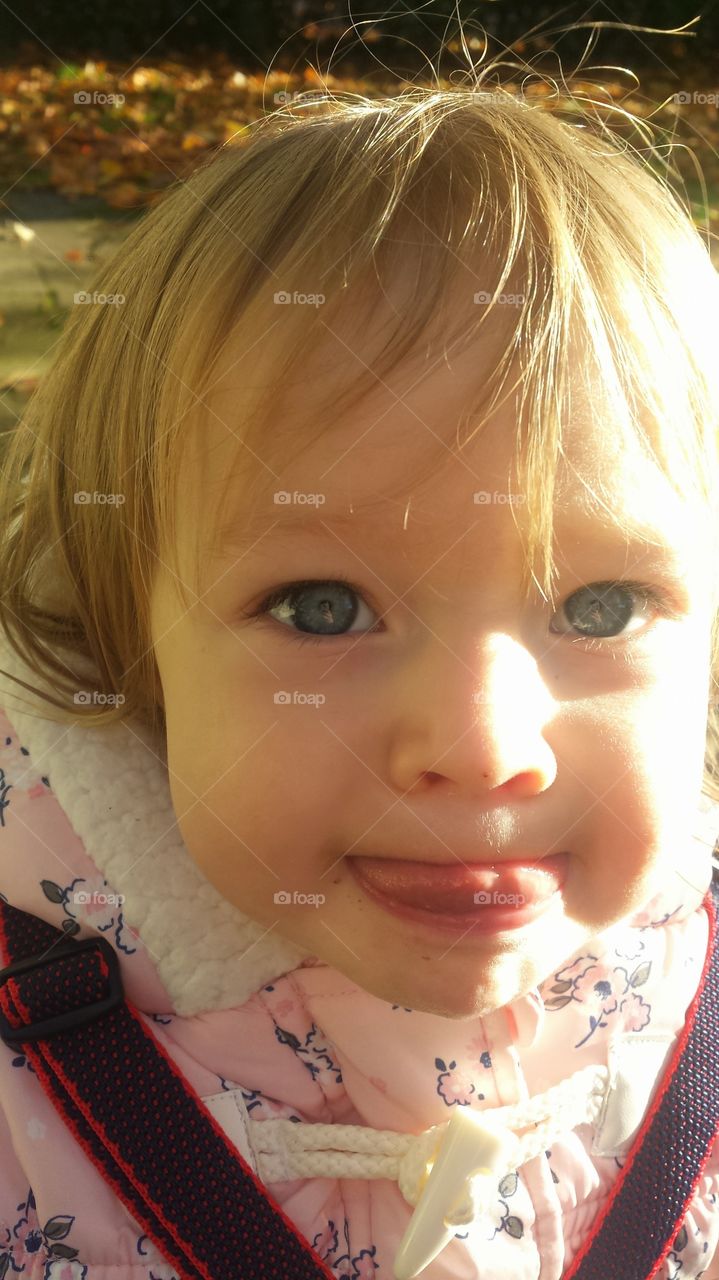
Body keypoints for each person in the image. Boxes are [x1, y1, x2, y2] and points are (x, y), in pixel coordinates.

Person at [1, 73, 718, 1280]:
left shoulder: (686, 1041)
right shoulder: (37, 1094)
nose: (482, 743)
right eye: (321, 607)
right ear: (134, 651)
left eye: (598, 605)